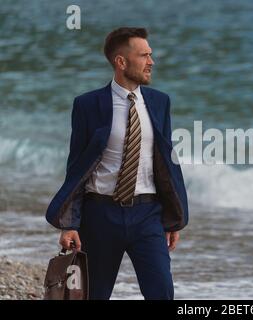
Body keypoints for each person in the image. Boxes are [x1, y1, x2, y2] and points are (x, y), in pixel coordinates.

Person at [45, 27, 189, 300]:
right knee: (95, 295)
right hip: (100, 216)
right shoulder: (87, 105)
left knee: (162, 292)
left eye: (151, 54)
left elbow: (166, 164)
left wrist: (173, 218)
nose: (151, 61)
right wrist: (69, 223)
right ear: (121, 62)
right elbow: (76, 167)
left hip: (148, 215)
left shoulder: (160, 103)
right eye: (144, 55)